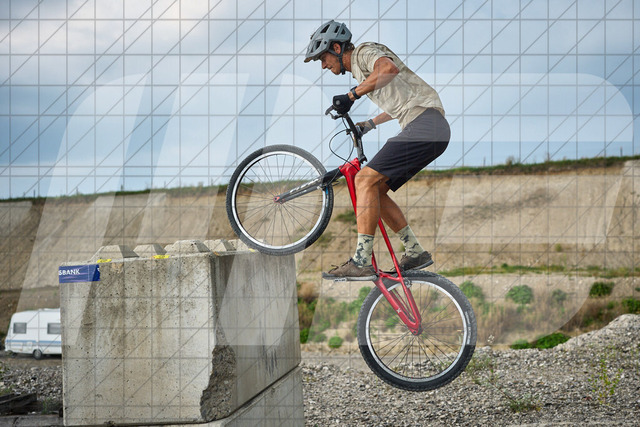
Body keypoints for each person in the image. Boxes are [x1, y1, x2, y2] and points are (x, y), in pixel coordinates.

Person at [304, 20, 450, 280]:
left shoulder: (363, 52)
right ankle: (415, 251)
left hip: (425, 126)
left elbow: (387, 68)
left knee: (363, 179)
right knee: (376, 190)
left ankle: (361, 261)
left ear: (336, 48)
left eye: (323, 58)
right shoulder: (363, 74)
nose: (323, 66)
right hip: (430, 129)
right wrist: (369, 124)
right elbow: (401, 103)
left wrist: (351, 96)